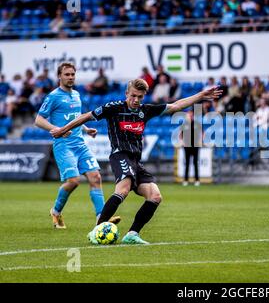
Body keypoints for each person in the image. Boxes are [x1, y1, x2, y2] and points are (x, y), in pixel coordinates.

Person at [51, 79, 222, 244]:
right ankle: (96, 230)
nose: (136, 100)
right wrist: (63, 129)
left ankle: (132, 234)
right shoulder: (114, 108)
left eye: (140, 97)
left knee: (155, 196)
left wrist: (200, 95)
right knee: (123, 190)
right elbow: (86, 116)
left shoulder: (145, 111)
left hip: (136, 161)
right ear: (127, 93)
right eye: (133, 95)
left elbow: (176, 106)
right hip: (120, 155)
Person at [35, 62, 120, 229]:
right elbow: (38, 120)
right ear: (59, 76)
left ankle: (101, 219)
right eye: (67, 74)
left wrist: (86, 129)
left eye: (73, 74)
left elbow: (75, 118)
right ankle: (56, 211)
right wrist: (56, 129)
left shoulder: (76, 95)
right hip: (63, 145)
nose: (70, 77)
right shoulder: (53, 96)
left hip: (80, 144)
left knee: (96, 177)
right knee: (74, 181)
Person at [181, 109, 202, 186]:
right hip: (187, 146)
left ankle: (197, 180)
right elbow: (181, 135)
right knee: (187, 163)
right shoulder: (184, 125)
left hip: (195, 145)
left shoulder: (196, 124)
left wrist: (200, 141)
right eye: (188, 115)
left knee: (195, 163)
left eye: (190, 114)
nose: (189, 116)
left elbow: (201, 133)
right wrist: (182, 142)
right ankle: (186, 180)